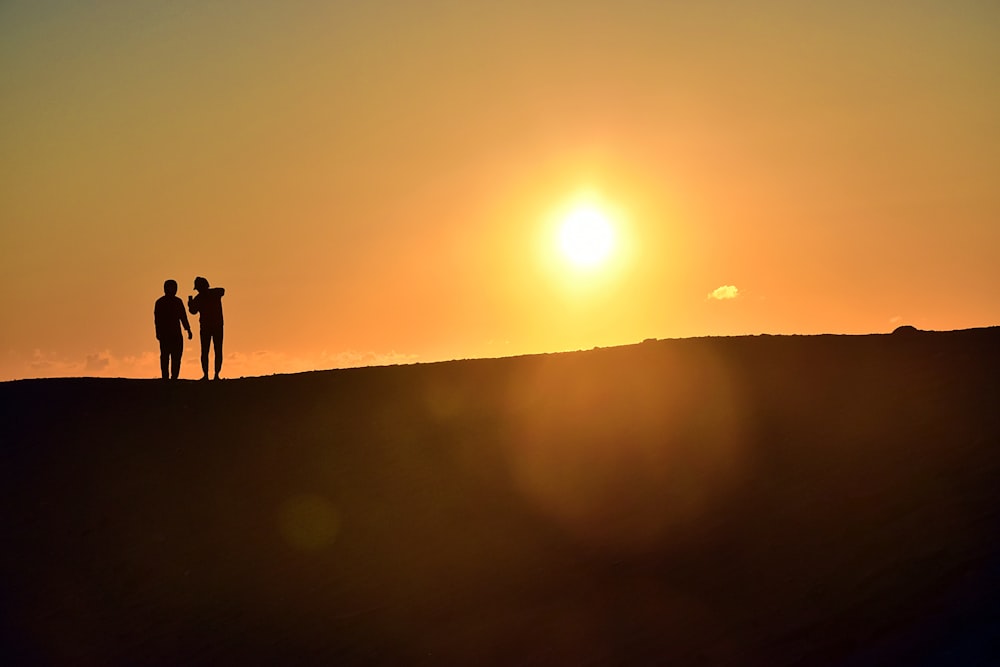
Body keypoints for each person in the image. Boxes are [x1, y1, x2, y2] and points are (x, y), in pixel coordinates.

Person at [154, 279, 192, 380]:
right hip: (166, 335)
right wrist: (158, 332)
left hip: (175, 334)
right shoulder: (161, 302)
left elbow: (183, 317)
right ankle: (166, 377)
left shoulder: (176, 302)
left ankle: (174, 377)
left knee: (176, 357)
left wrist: (188, 329)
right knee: (166, 357)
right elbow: (157, 320)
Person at [188, 276, 225, 380]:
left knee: (210, 351)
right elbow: (193, 311)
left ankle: (213, 375)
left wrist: (191, 305)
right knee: (210, 351)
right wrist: (191, 305)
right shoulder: (204, 296)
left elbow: (222, 290)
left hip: (211, 327)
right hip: (211, 327)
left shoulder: (207, 295)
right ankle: (210, 375)